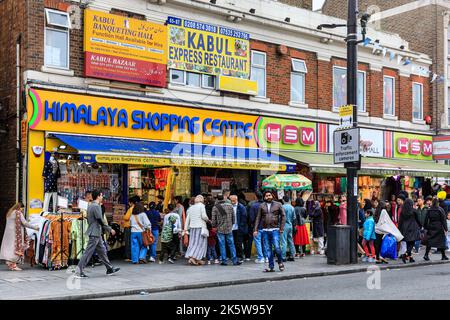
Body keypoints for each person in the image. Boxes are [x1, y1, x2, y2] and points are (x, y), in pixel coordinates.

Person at [75, 190, 120, 278]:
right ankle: (78, 271)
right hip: (95, 232)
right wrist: (109, 229)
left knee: (102, 251)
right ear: (98, 196)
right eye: (101, 195)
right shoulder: (96, 206)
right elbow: (100, 220)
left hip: (96, 232)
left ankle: (109, 268)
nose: (102, 197)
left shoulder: (91, 205)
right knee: (88, 252)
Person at [0, 203, 39, 271]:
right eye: (22, 209)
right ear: (19, 207)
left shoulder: (10, 212)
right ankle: (13, 265)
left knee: (10, 247)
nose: (22, 210)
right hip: (16, 234)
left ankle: (10, 263)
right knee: (17, 247)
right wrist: (35, 228)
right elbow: (25, 223)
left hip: (8, 233)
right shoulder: (18, 213)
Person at [253, 191, 286, 272]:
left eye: (269, 195)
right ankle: (271, 266)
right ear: (264, 197)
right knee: (268, 249)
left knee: (277, 248)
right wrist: (255, 230)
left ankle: (280, 262)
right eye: (266, 196)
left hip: (275, 229)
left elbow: (283, 216)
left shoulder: (278, 204)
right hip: (265, 230)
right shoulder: (262, 206)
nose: (268, 197)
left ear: (272, 196)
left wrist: (281, 228)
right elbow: (258, 218)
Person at [212, 194, 241, 266]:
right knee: (231, 244)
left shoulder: (215, 207)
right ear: (224, 198)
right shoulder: (230, 206)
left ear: (217, 199)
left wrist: (214, 226)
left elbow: (213, 220)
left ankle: (224, 261)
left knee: (222, 245)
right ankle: (234, 260)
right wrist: (231, 224)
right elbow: (234, 218)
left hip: (220, 229)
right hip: (229, 228)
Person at [184, 195, 210, 266]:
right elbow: (204, 216)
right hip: (200, 227)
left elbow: (187, 219)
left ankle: (196, 258)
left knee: (193, 242)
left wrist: (185, 229)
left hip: (192, 228)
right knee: (200, 243)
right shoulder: (202, 206)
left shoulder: (191, 207)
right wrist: (208, 220)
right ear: (202, 200)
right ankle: (194, 257)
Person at [398, 198, 420, 263]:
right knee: (412, 242)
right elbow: (418, 219)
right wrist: (421, 225)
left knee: (408, 242)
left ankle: (410, 258)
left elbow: (400, 221)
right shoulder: (414, 211)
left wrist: (399, 229)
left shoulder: (402, 211)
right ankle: (406, 254)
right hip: (413, 228)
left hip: (405, 228)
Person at [248, 191, 267, 264]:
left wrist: (252, 226)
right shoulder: (266, 205)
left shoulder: (254, 206)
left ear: (255, 197)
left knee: (258, 242)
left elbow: (252, 218)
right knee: (265, 242)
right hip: (266, 226)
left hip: (257, 227)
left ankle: (261, 257)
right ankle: (267, 257)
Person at [230, 195, 249, 262]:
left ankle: (240, 256)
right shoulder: (230, 206)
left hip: (238, 228)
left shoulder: (241, 207)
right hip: (232, 228)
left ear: (236, 199)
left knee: (238, 243)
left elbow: (244, 218)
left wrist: (241, 226)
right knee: (233, 243)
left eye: (233, 200)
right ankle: (234, 256)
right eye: (231, 200)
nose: (232, 202)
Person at [123, 196, 139, 262]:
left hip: (129, 227)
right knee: (134, 242)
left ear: (131, 203)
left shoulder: (131, 209)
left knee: (128, 242)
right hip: (135, 227)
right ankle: (134, 256)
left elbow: (126, 217)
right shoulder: (138, 208)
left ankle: (128, 256)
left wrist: (124, 216)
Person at [281, 196, 296, 262]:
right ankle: (292, 256)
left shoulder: (282, 207)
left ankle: (283, 257)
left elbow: (280, 217)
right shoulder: (292, 207)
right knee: (290, 240)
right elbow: (294, 218)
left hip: (284, 226)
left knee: (284, 241)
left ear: (283, 200)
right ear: (289, 200)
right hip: (290, 225)